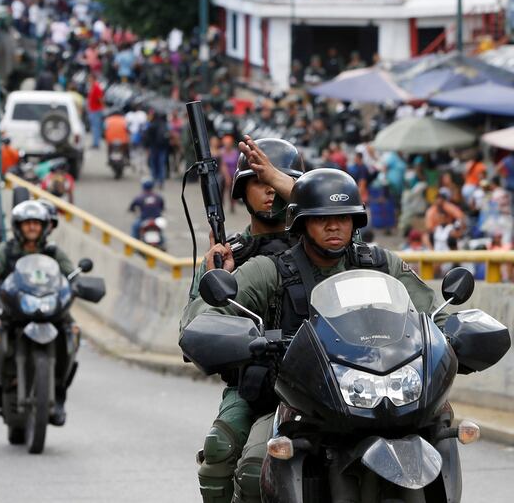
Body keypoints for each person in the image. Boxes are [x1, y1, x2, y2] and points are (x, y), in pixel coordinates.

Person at [182, 169, 448, 503]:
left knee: (441, 427)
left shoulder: (380, 264)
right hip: (294, 400)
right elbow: (206, 314)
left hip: (372, 389)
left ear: (355, 221)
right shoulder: (271, 269)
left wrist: (455, 331)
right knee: (253, 466)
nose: (334, 226)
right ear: (301, 223)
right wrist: (221, 320)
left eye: (343, 218)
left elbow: (434, 313)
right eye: (322, 219)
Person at [187, 137, 302, 503]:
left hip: (317, 380)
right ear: (241, 190)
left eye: (277, 180)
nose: (269, 190)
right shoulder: (229, 255)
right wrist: (215, 274)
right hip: (254, 384)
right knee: (220, 449)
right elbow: (194, 327)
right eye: (258, 181)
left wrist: (288, 185)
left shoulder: (320, 244)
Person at [0, 200, 76, 425]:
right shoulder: (6, 250)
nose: (32, 227)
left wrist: (78, 284)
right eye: (27, 223)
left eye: (36, 223)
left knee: (72, 332)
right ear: (18, 226)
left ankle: (59, 395)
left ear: (44, 227)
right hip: (13, 309)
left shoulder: (53, 251)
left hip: (48, 308)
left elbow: (72, 275)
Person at [86, 73, 104, 150]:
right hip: (92, 109)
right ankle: (95, 142)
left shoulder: (97, 87)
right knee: (94, 127)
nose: (88, 79)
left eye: (89, 78)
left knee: (96, 127)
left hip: (96, 110)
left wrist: (102, 107)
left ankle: (96, 143)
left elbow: (100, 98)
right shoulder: (92, 86)